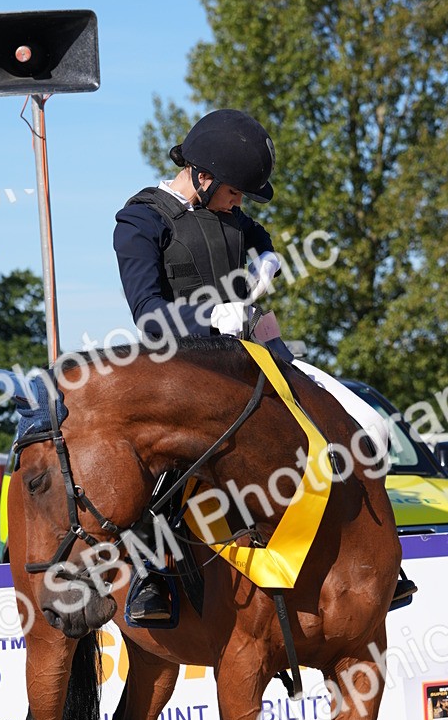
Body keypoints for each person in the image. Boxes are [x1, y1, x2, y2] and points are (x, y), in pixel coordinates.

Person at [113, 109, 410, 622]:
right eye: (235, 191)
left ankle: (379, 557)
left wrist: (266, 258)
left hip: (254, 349)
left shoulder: (226, 207)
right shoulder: (139, 221)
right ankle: (151, 577)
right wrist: (209, 315)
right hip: (182, 364)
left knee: (366, 424)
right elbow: (147, 316)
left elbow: (256, 233)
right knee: (158, 472)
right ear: (202, 177)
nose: (240, 203)